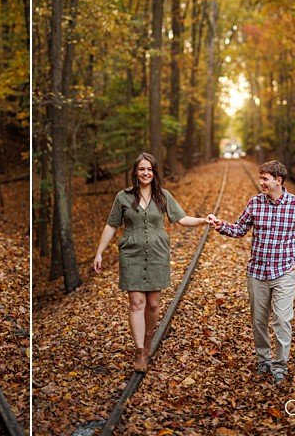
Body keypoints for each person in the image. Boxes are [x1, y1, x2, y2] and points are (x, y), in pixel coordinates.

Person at [91, 152, 217, 372]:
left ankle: (149, 342)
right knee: (136, 303)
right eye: (141, 169)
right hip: (131, 254)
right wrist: (99, 252)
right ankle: (140, 351)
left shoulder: (163, 196)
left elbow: (181, 219)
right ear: (135, 172)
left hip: (158, 254)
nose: (145, 173)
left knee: (153, 304)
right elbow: (111, 225)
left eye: (149, 169)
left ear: (154, 172)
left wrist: (203, 220)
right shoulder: (123, 197)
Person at [211, 159, 295, 384]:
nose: (261, 183)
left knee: (282, 320)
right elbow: (239, 229)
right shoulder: (255, 203)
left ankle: (280, 365)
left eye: (265, 179)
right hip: (257, 272)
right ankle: (263, 360)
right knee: (259, 321)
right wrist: (220, 225)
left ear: (279, 180)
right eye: (260, 178)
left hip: (285, 272)